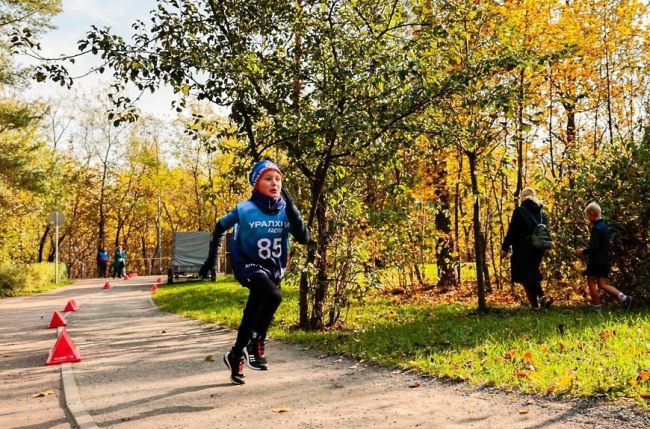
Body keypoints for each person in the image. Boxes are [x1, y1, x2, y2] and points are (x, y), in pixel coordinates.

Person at [199, 160, 310, 385]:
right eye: (268, 179)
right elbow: (220, 226)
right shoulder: (244, 209)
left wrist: (293, 208)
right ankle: (256, 342)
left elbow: (303, 238)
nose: (274, 183)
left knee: (252, 311)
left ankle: (236, 354)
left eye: (278, 179)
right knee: (273, 296)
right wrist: (212, 258)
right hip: (247, 264)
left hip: (273, 268)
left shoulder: (286, 210)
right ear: (256, 182)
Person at [501, 187, 553, 310]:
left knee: (528, 274)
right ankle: (536, 304)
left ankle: (540, 298)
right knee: (530, 273)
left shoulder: (520, 211)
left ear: (522, 198)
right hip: (538, 248)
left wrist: (505, 247)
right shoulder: (542, 214)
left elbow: (512, 231)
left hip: (522, 248)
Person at [575, 202, 632, 310]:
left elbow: (595, 247)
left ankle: (597, 308)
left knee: (591, 282)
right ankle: (624, 298)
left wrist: (583, 251)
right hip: (605, 259)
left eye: (587, 215)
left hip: (596, 260)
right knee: (602, 284)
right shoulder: (604, 226)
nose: (587, 218)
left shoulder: (596, 228)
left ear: (592, 214)